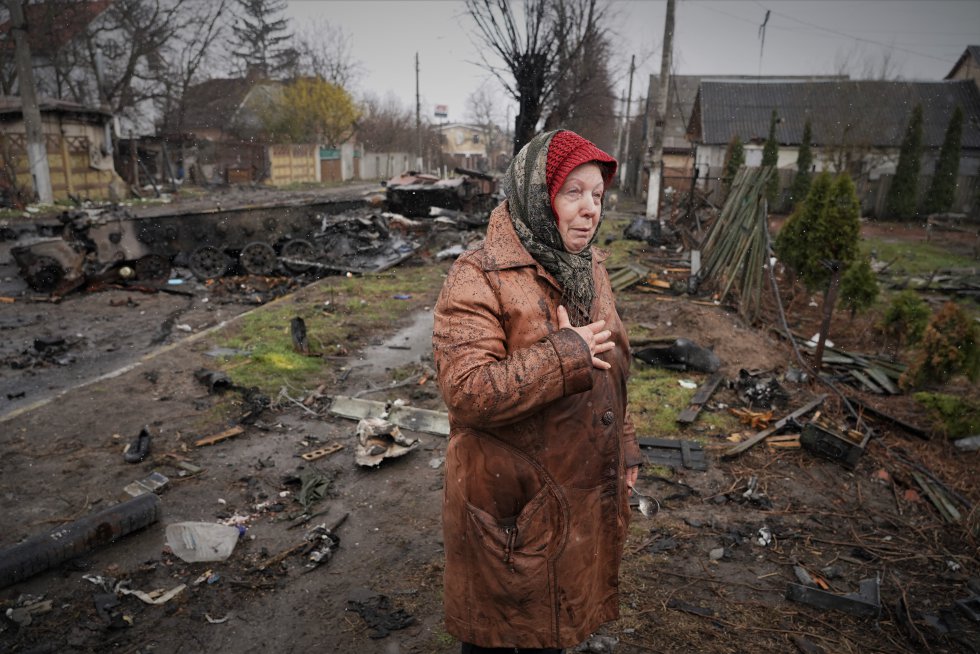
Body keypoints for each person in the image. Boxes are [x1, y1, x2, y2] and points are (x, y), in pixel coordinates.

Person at [432, 129, 643, 653]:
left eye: (597, 195)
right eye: (574, 192)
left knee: (555, 621)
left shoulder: (589, 267)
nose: (590, 209)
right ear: (537, 194)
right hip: (512, 500)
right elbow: (467, 390)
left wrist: (627, 446)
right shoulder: (478, 275)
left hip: (574, 487)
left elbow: (612, 365)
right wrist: (563, 353)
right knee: (506, 630)